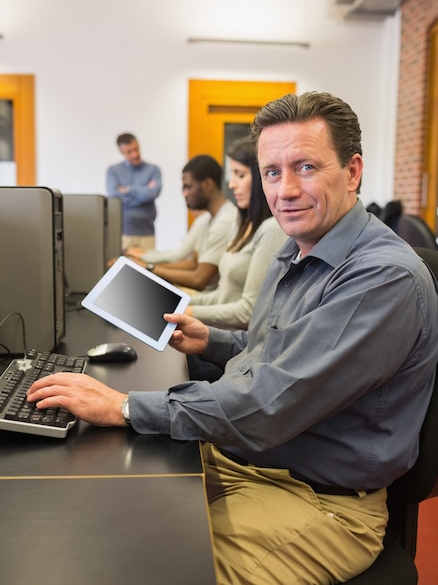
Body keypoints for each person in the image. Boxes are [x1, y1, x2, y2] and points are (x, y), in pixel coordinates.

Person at [27, 92, 438, 585]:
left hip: (322, 503)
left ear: (352, 172)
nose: (284, 190)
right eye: (271, 171)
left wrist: (126, 407)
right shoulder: (298, 248)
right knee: (99, 518)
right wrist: (214, 342)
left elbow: (271, 404)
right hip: (251, 463)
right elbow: (274, 356)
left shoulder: (382, 279)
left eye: (305, 167)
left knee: (152, 566)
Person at [186, 136, 287, 329]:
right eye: (232, 175)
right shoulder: (240, 224)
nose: (231, 184)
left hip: (237, 343)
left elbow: (248, 311)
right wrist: (180, 302)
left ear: (260, 179)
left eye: (240, 175)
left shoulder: (272, 229)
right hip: (219, 331)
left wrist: (187, 312)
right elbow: (224, 295)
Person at [126, 154, 237, 292]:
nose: (185, 194)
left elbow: (199, 279)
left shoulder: (224, 222)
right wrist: (144, 264)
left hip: (207, 298)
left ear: (208, 184)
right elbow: (193, 263)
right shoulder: (209, 219)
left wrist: (147, 265)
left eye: (188, 187)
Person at [106, 133, 162, 251]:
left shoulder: (153, 170)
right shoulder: (113, 171)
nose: (135, 154)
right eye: (129, 152)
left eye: (136, 149)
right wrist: (144, 191)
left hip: (147, 233)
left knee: (148, 268)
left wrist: (128, 190)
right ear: (121, 152)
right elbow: (114, 196)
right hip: (124, 234)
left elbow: (153, 193)